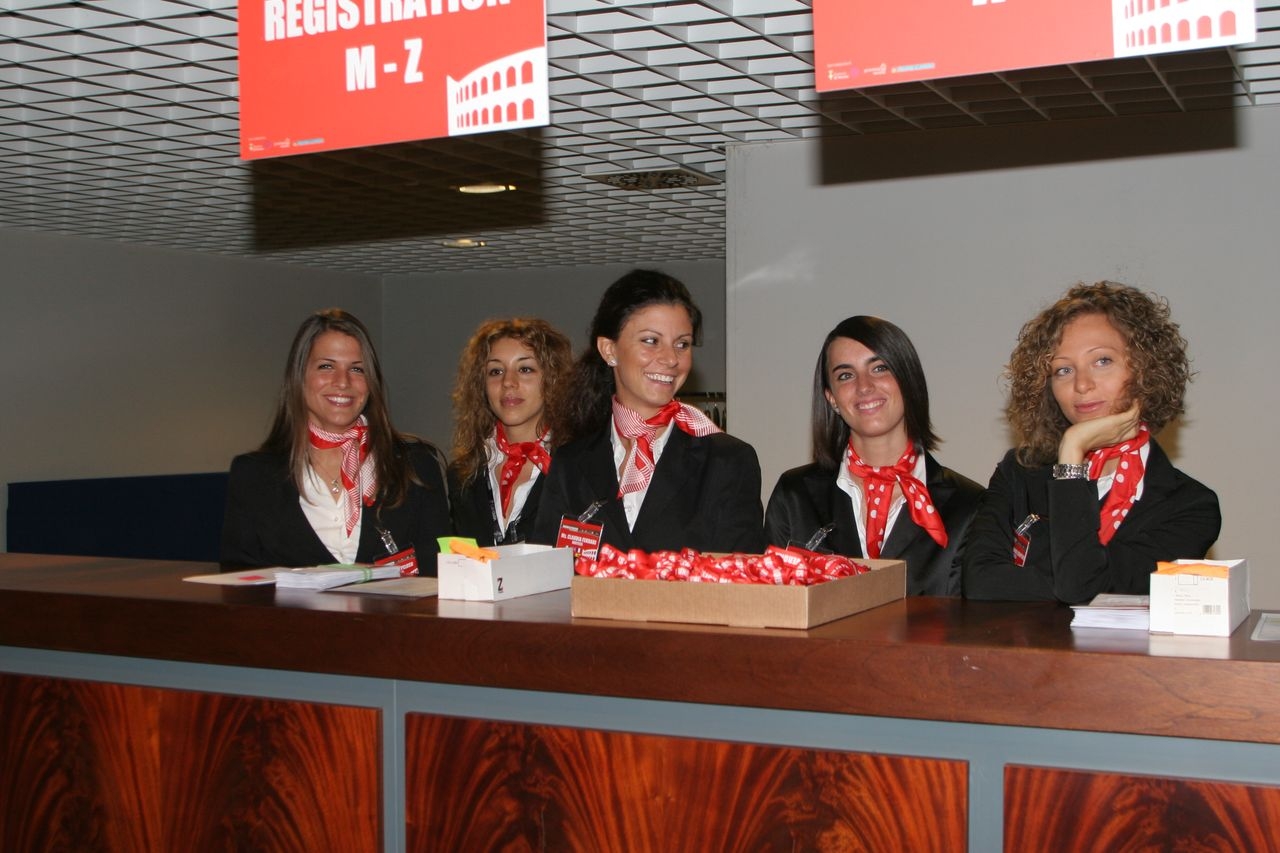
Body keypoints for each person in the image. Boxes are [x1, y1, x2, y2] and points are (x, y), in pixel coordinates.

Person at [963, 282, 1221, 603]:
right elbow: (980, 585)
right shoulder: (1018, 472)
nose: (1082, 384)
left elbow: (1081, 585)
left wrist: (1073, 450)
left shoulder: (1190, 506)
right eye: (1063, 370)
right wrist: (1071, 458)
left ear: (1145, 369)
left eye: (1102, 361)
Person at [532, 269, 765, 553]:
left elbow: (739, 574)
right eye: (651, 341)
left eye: (682, 344)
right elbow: (548, 571)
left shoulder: (727, 462)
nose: (671, 359)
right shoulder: (571, 463)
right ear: (609, 350)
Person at [765, 316, 983, 596]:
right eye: (846, 375)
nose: (864, 386)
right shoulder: (795, 496)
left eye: (880, 368)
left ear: (907, 380)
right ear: (831, 398)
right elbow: (773, 608)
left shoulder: (968, 506)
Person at [221, 308, 451, 572]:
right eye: (326, 366)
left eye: (357, 369)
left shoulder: (416, 465)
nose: (343, 382)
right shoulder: (254, 476)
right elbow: (238, 583)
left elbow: (438, 577)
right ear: (299, 377)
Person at [448, 318, 573, 545]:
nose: (508, 382)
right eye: (495, 371)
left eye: (525, 369)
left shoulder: (579, 467)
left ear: (553, 379)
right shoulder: (462, 475)